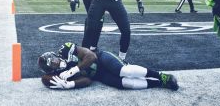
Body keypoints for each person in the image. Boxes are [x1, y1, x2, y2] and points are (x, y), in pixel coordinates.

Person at [38, 42, 179, 91]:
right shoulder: (59, 73)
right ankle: (160, 83)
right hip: (98, 75)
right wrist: (71, 85)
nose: (56, 62)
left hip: (101, 59)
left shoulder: (66, 48)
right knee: (125, 84)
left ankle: (160, 75)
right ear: (53, 69)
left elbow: (91, 56)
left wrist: (75, 69)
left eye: (53, 59)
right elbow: (88, 81)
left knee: (125, 71)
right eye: (53, 65)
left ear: (54, 54)